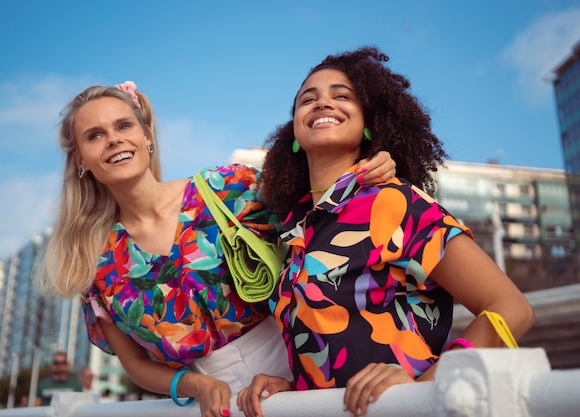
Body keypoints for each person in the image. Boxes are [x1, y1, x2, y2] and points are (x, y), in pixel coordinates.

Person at [39, 80, 395, 417]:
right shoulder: (95, 263)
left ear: (146, 135)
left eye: (124, 126)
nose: (114, 140)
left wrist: (368, 169)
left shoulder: (226, 188)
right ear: (80, 160)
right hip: (212, 402)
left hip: (307, 365)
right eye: (95, 135)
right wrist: (194, 384)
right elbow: (136, 365)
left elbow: (318, 211)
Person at [236, 46, 536, 417]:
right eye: (307, 100)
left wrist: (427, 388)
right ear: (294, 132)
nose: (323, 103)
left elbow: (513, 309)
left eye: (342, 96)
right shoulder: (294, 229)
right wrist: (294, 387)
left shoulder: (395, 202)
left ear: (367, 123)